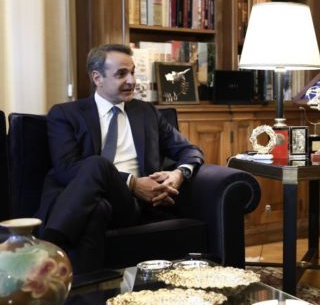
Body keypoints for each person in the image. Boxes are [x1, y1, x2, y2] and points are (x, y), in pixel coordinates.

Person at [36, 44, 204, 273]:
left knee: (97, 165)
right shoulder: (66, 114)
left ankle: (45, 249)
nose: (131, 81)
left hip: (130, 205)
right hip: (87, 199)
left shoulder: (147, 112)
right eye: (121, 74)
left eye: (132, 72)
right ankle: (88, 292)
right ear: (97, 78)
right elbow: (66, 168)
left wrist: (179, 173)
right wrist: (133, 183)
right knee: (96, 202)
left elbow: (189, 150)